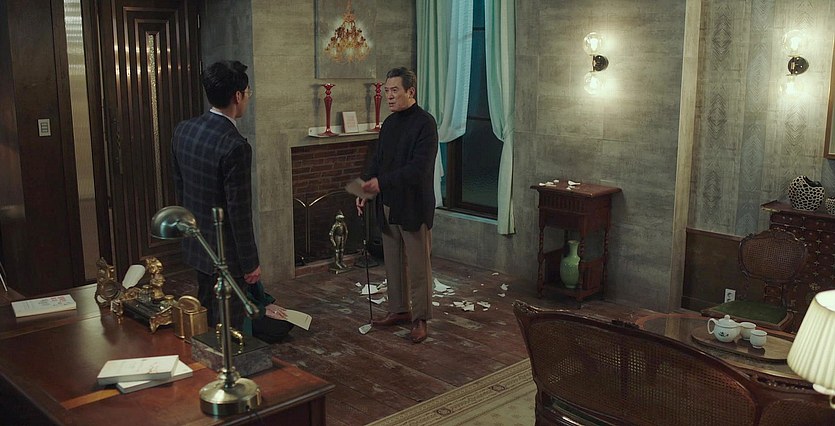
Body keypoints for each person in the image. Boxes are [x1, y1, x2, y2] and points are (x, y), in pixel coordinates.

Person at [171, 60, 265, 330]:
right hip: (225, 253)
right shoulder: (235, 146)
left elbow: (181, 187)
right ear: (237, 96)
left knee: (205, 316)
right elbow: (239, 212)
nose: (247, 98)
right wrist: (250, 263)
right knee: (228, 326)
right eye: (247, 93)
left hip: (197, 242)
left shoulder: (184, 130)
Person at [356, 67, 438, 343]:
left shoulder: (425, 124)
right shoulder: (389, 124)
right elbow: (377, 161)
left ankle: (420, 319)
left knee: (418, 266)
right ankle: (399, 310)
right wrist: (364, 189)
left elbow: (418, 169)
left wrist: (381, 183)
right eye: (386, 90)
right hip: (388, 203)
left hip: (413, 205)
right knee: (392, 262)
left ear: (410, 92)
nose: (388, 96)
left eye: (394, 91)